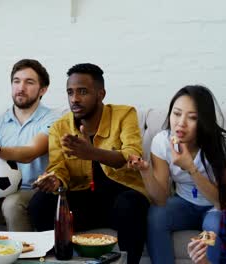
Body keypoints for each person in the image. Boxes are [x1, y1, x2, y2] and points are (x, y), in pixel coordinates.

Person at [28, 63, 150, 264]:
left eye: (82, 92)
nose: (74, 99)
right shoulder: (60, 127)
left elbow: (132, 155)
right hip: (84, 200)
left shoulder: (124, 114)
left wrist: (93, 153)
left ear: (100, 94)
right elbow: (58, 167)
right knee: (39, 204)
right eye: (70, 92)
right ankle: (58, 260)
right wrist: (55, 180)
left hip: (121, 197)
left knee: (130, 203)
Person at [129, 85, 226, 264]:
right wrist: (146, 172)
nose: (181, 123)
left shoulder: (221, 144)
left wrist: (191, 169)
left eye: (192, 117)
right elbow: (161, 200)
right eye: (176, 114)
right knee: (156, 215)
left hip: (215, 209)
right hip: (184, 204)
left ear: (204, 121)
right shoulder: (162, 141)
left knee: (214, 226)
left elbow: (223, 202)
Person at [0, 59, 60, 242]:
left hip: (36, 192)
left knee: (12, 203)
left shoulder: (54, 119)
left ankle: (23, 256)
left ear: (43, 89)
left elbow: (31, 152)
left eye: (29, 82)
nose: (21, 87)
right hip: (1, 192)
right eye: (16, 81)